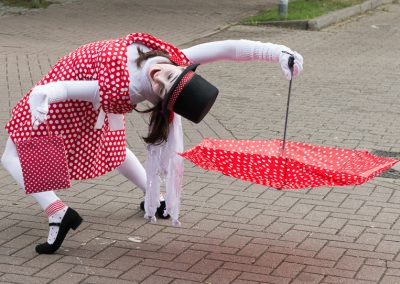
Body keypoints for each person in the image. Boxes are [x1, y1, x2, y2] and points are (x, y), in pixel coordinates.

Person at [1, 33, 303, 254]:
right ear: (181, 67)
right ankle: (156, 200)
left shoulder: (127, 89)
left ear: (157, 100)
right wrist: (277, 51)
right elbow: (228, 48)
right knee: (113, 150)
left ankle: (57, 212)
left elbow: (68, 89)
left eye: (162, 88)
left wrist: (45, 95)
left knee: (12, 154)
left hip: (65, 91)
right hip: (79, 77)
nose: (160, 76)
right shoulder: (169, 58)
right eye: (170, 74)